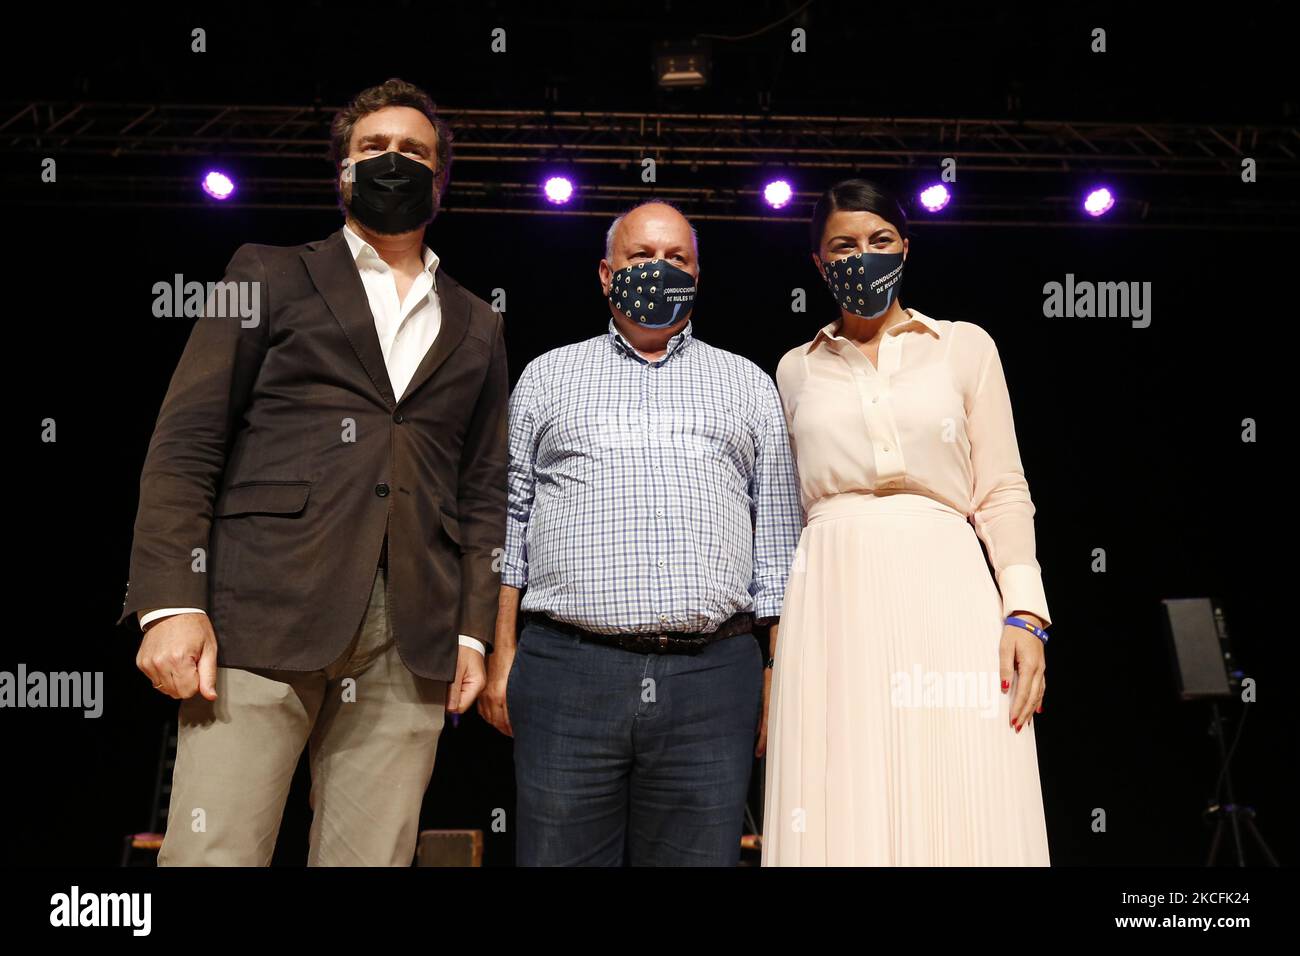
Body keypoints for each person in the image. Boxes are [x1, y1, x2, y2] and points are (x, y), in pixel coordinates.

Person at [118, 77, 508, 866]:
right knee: (214, 853)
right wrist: (168, 605)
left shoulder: (478, 320)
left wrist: (473, 631)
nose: (393, 163)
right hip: (259, 614)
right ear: (342, 172)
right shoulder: (266, 273)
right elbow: (186, 444)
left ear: (440, 182)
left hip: (412, 633)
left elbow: (484, 488)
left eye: (414, 153)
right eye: (374, 150)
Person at [477, 200, 803, 866]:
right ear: (605, 273)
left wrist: (777, 675)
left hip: (713, 679)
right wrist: (500, 653)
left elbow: (776, 548)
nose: (658, 270)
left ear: (698, 274)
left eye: (675, 259)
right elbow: (510, 523)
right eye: (639, 257)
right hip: (567, 670)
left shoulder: (748, 384)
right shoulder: (546, 376)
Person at [762, 178, 1052, 866]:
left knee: (960, 770)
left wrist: (1025, 614)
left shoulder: (963, 346)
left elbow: (1004, 488)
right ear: (819, 263)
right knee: (842, 784)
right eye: (844, 245)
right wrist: (774, 650)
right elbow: (780, 514)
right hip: (832, 592)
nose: (864, 255)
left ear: (905, 248)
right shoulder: (794, 369)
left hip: (947, 581)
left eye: (880, 241)